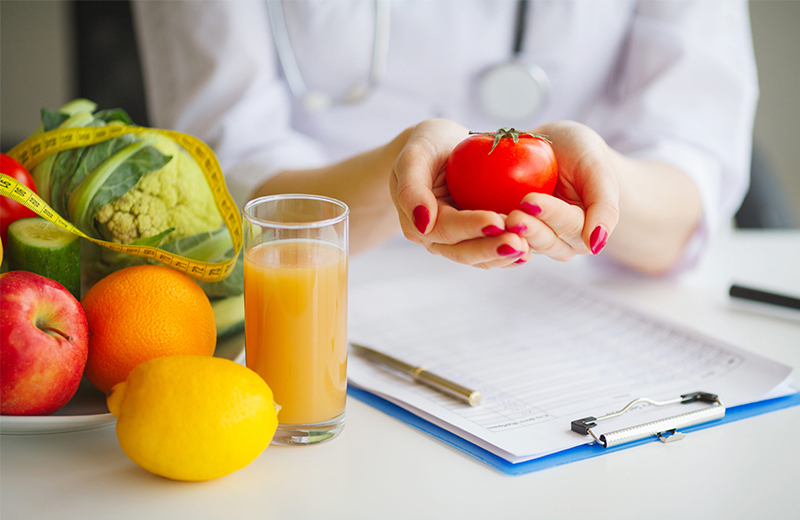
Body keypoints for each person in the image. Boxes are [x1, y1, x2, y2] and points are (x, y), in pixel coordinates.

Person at [132, 0, 758, 274]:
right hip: (333, 295)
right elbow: (228, 163)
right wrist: (392, 172)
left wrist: (600, 188)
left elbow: (691, 162)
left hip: (586, 307)